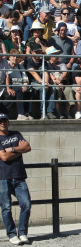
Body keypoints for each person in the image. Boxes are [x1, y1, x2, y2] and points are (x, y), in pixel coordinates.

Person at [0, 113, 32, 245]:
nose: (2, 123)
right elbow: (4, 157)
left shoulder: (16, 134)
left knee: (26, 204)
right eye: (0, 121)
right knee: (6, 207)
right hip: (3, 177)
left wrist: (12, 149)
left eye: (5, 121)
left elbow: (28, 147)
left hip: (19, 176)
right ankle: (12, 234)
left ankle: (23, 233)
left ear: (8, 122)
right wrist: (19, 150)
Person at [25, 43, 58, 119]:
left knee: (52, 88)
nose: (38, 54)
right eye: (36, 52)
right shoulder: (28, 60)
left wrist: (46, 83)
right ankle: (42, 113)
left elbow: (46, 73)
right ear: (32, 52)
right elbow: (33, 73)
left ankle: (50, 111)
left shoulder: (43, 61)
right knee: (42, 88)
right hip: (32, 82)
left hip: (41, 82)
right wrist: (43, 83)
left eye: (39, 52)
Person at [45, 46, 74, 119]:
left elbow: (65, 73)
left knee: (69, 90)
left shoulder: (61, 63)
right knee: (57, 89)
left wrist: (60, 79)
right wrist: (59, 83)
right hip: (53, 83)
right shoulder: (47, 64)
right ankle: (57, 112)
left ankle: (67, 112)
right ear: (50, 56)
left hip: (62, 82)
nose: (58, 56)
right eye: (55, 54)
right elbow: (51, 76)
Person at [4, 50, 30, 120]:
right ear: (9, 57)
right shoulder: (6, 65)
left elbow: (26, 79)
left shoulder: (21, 67)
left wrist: (25, 85)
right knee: (18, 90)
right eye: (13, 56)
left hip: (20, 85)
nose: (15, 58)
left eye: (17, 57)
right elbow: (8, 79)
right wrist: (20, 81)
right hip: (10, 86)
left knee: (30, 90)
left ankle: (27, 113)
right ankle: (20, 114)